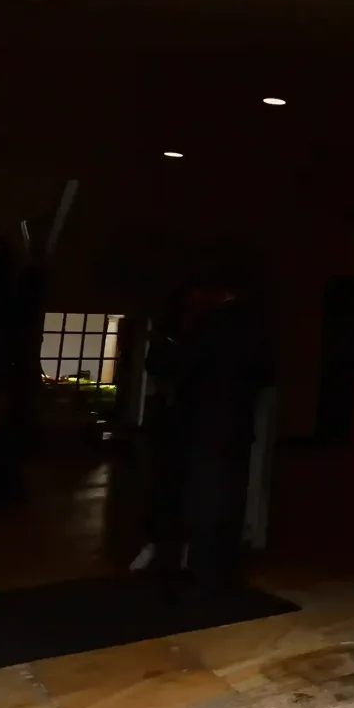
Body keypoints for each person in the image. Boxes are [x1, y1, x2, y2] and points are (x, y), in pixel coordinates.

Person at [140, 240, 272, 595]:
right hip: (237, 423)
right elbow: (265, 374)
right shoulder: (255, 324)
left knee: (205, 497)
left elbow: (176, 366)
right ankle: (224, 569)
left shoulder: (208, 325)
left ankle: (204, 570)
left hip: (203, 424)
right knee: (230, 495)